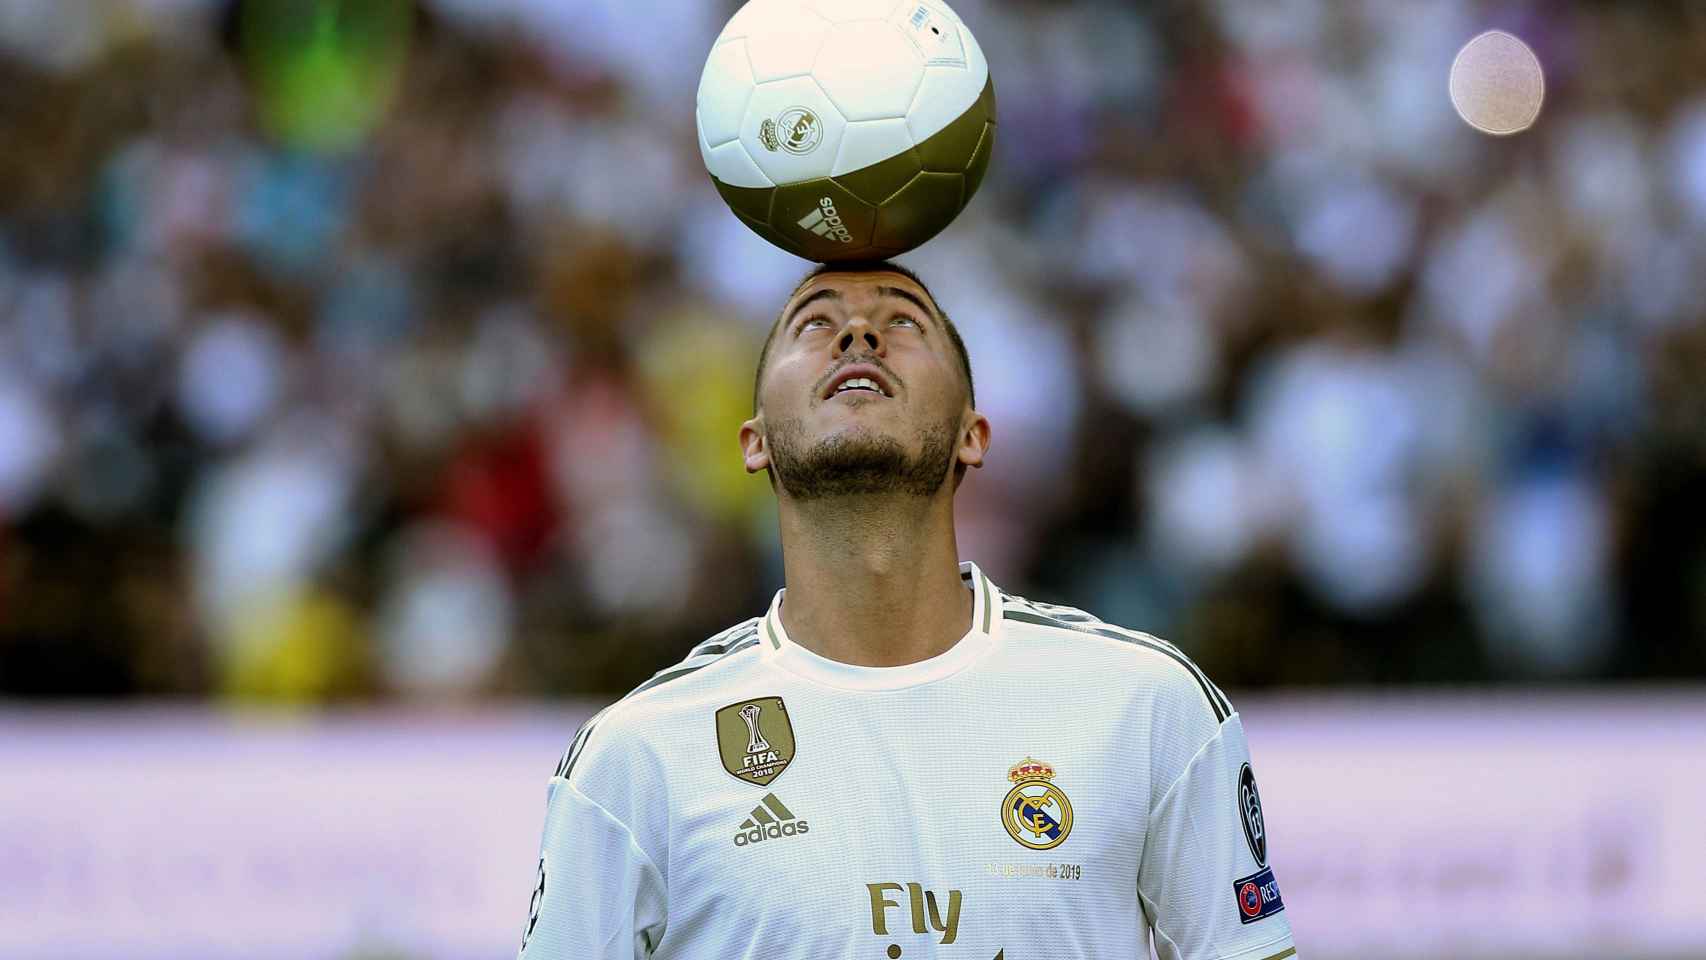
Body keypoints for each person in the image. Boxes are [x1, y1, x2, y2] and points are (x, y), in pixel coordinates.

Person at [516, 261, 1298, 960]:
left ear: (973, 435)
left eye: (903, 321)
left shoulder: (1146, 703)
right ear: (753, 441)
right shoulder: (638, 754)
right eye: (814, 323)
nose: (858, 333)